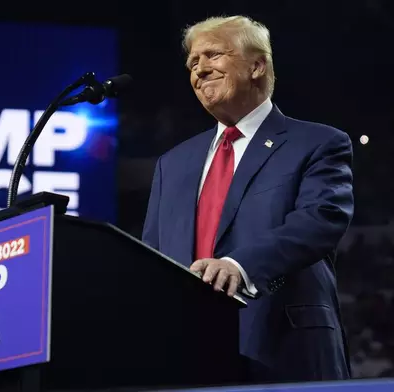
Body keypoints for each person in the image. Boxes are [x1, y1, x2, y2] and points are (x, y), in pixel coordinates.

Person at [142, 15, 354, 382]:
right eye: (193, 63)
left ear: (257, 65)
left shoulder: (318, 143)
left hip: (283, 349)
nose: (200, 70)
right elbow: (151, 256)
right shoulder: (171, 164)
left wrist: (239, 265)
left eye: (213, 55)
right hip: (187, 357)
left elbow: (322, 218)